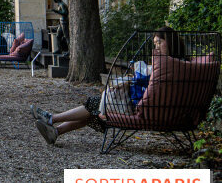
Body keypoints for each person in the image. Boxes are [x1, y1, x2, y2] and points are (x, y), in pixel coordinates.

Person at [30, 27, 185, 144]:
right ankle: (56, 131)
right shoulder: (175, 64)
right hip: (150, 106)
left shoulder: (169, 65)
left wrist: (136, 78)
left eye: (159, 43)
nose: (156, 47)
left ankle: (52, 119)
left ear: (170, 42)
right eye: (155, 43)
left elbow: (151, 86)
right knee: (95, 107)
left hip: (145, 109)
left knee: (95, 103)